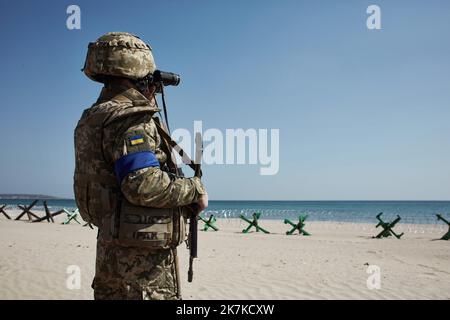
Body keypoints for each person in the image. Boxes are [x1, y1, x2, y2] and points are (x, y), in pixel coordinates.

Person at [73, 32, 208, 300]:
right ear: (139, 72)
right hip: (142, 266)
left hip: (111, 252)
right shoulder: (131, 120)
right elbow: (142, 183)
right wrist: (194, 189)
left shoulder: (94, 117)